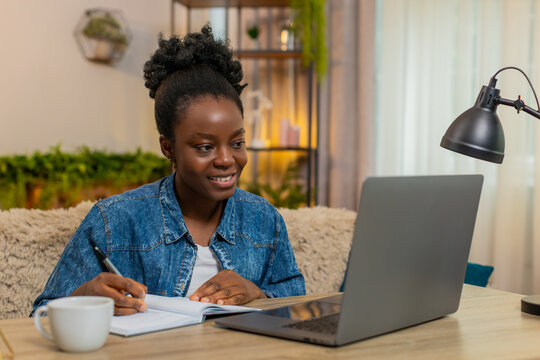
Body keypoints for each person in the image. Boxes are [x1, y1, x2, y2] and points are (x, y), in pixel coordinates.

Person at [32, 25, 306, 316]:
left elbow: (299, 304)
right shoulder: (115, 221)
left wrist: (258, 293)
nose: (227, 159)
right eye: (204, 147)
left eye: (237, 142)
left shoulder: (264, 220)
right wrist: (81, 299)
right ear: (168, 148)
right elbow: (42, 314)